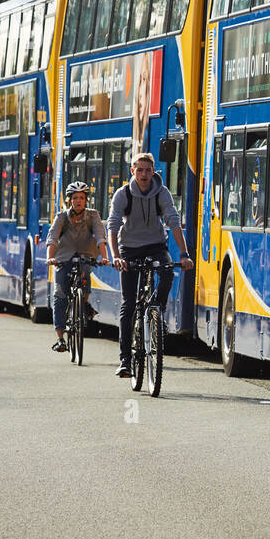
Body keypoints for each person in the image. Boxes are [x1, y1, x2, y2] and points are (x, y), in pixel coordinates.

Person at [107, 152, 193, 378]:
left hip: (156, 245)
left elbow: (173, 222)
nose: (144, 174)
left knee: (167, 273)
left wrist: (184, 254)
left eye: (148, 170)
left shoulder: (161, 193)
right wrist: (116, 256)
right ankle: (125, 360)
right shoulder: (122, 194)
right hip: (129, 248)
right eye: (140, 170)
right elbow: (113, 226)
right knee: (128, 304)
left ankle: (157, 311)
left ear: (153, 172)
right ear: (132, 171)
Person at [45, 182, 110, 352]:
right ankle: (60, 339)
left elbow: (100, 236)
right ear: (69, 200)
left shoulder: (93, 216)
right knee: (60, 295)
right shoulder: (62, 217)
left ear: (86, 200)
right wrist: (50, 258)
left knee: (85, 276)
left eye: (81, 198)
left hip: (86, 255)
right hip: (64, 258)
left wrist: (105, 256)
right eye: (75, 198)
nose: (78, 201)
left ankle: (84, 304)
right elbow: (52, 238)